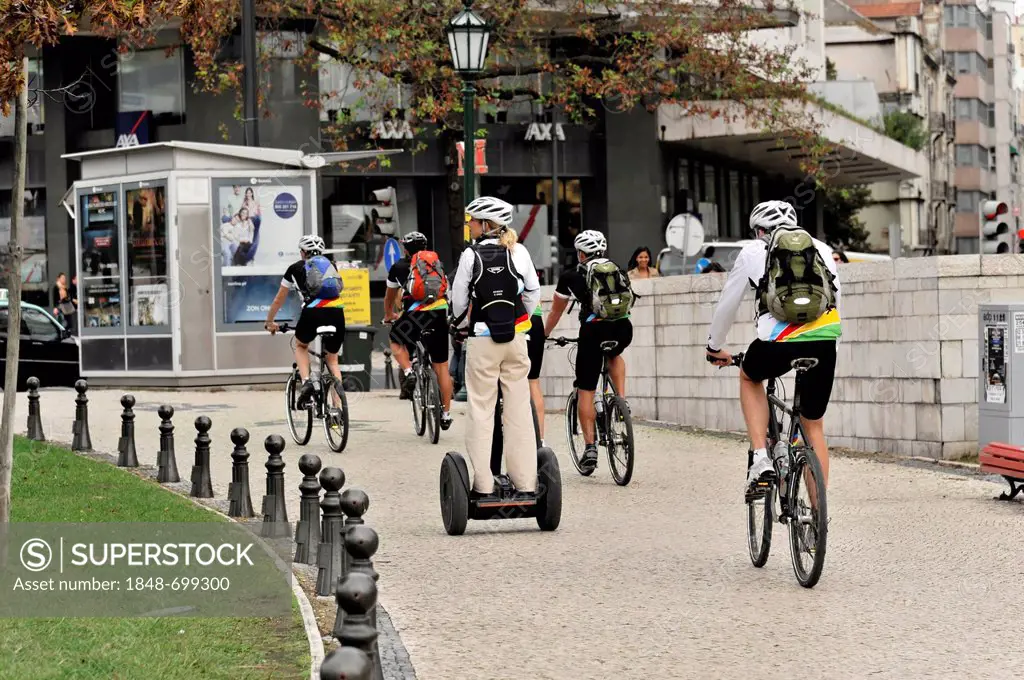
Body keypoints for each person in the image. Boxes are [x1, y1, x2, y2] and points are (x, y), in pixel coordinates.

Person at [705, 200, 841, 496]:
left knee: (749, 375)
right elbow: (835, 299)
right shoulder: (821, 249)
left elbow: (728, 303)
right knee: (814, 426)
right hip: (824, 342)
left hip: (778, 343)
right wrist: (830, 347)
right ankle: (817, 524)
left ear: (759, 230)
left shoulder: (753, 250)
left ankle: (761, 458)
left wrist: (714, 346)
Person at [451, 196, 541, 498]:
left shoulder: (470, 256)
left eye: (473, 222)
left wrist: (464, 327)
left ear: (486, 225)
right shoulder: (519, 251)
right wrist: (519, 320)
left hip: (483, 339)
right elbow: (532, 292)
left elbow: (459, 302)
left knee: (481, 408)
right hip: (516, 340)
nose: (471, 226)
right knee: (518, 410)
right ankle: (526, 483)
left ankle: (484, 484)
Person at [543, 230, 634, 473]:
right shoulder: (618, 270)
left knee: (586, 389)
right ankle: (621, 403)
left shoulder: (572, 275)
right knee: (615, 355)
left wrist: (542, 335)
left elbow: (555, 312)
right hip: (623, 328)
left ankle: (590, 448)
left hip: (593, 332)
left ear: (581, 252)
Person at [264, 235, 347, 409]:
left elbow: (279, 299)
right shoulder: (331, 265)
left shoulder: (295, 268)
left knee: (301, 345)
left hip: (312, 313)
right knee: (332, 360)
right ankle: (338, 408)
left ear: (303, 252)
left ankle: (307, 382)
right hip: (337, 312)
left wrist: (270, 321)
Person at [383, 231, 454, 429]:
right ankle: (446, 414)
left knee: (396, 340)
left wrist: (389, 315)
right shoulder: (436, 264)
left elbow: (389, 298)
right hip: (438, 315)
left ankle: (408, 372)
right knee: (441, 367)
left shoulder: (398, 267)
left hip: (415, 316)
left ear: (405, 248)